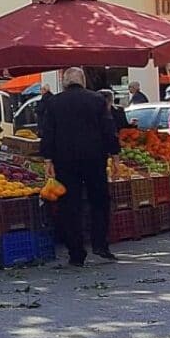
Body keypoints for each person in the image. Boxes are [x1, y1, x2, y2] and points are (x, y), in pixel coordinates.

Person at [41, 67, 121, 267]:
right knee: (99, 201)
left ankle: (76, 253)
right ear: (83, 81)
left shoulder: (54, 103)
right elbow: (108, 129)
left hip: (65, 161)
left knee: (70, 205)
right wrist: (115, 156)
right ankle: (100, 245)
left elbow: (47, 132)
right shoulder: (97, 100)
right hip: (94, 159)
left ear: (64, 82)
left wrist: (47, 160)